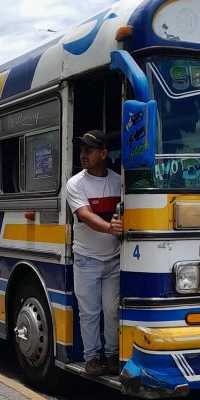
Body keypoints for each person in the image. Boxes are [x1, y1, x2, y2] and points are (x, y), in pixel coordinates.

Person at [66, 129, 123, 376]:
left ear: (103, 154)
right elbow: (85, 215)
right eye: (81, 150)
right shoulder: (75, 183)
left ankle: (111, 356)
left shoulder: (119, 180)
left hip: (113, 259)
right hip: (86, 259)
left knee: (112, 311)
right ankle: (91, 359)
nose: (83, 155)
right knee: (89, 313)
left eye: (88, 150)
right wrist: (111, 228)